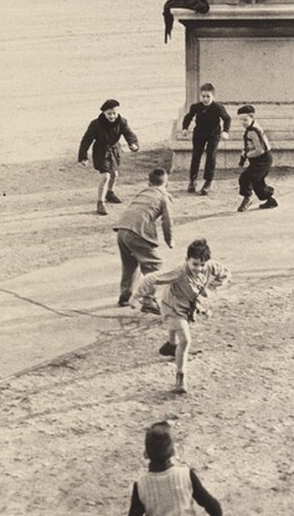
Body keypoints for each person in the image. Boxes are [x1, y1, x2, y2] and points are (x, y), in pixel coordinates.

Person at [133, 239, 230, 395]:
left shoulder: (210, 266)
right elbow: (151, 278)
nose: (199, 268)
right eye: (195, 264)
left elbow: (225, 273)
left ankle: (171, 345)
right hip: (171, 306)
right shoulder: (180, 271)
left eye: (202, 264)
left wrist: (209, 288)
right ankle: (180, 377)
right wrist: (136, 296)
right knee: (185, 340)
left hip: (186, 307)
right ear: (187, 260)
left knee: (177, 334)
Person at [114, 169, 174, 307]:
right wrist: (169, 239)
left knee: (129, 264)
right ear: (166, 183)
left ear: (149, 182)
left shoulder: (143, 192)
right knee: (154, 266)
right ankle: (148, 299)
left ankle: (125, 295)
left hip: (122, 228)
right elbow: (167, 221)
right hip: (138, 231)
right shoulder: (164, 195)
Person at [78, 99, 139, 215]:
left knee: (114, 174)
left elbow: (129, 134)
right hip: (101, 152)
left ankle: (110, 193)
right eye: (109, 114)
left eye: (114, 113)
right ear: (103, 113)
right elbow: (86, 140)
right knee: (105, 176)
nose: (112, 116)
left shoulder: (122, 122)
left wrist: (133, 144)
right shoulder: (95, 124)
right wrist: (83, 157)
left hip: (115, 151)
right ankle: (100, 202)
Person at [181, 83, 232, 195]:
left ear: (213, 96)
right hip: (199, 134)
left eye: (208, 96)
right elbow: (188, 117)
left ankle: (208, 182)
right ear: (200, 96)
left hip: (214, 134)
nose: (205, 99)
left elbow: (227, 119)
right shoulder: (196, 107)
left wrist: (225, 131)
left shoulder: (218, 107)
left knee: (211, 156)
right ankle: (192, 180)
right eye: (203, 96)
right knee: (196, 156)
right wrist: (185, 128)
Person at [236, 104, 277, 211]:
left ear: (252, 117)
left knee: (245, 178)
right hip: (261, 159)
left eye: (245, 119)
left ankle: (247, 198)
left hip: (262, 160)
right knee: (257, 182)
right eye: (240, 120)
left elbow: (260, 150)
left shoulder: (253, 131)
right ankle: (270, 201)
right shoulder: (252, 128)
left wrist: (246, 155)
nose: (243, 122)